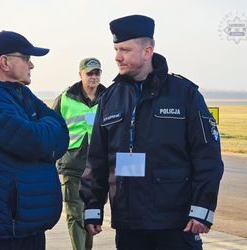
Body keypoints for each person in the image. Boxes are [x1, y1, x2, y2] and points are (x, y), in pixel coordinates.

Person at [79, 15, 224, 250]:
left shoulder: (184, 93)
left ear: (147, 51)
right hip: (129, 224)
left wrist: (202, 208)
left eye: (124, 49)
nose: (117, 57)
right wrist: (93, 207)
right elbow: (96, 159)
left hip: (176, 223)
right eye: (116, 49)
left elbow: (207, 156)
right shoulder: (110, 99)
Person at [0, 30, 69, 250]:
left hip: (27, 226)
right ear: (4, 62)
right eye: (26, 58)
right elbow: (34, 142)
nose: (31, 65)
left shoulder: (19, 93)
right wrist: (45, 133)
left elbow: (62, 129)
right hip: (1, 232)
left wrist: (44, 132)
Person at [53, 57, 106, 250]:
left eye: (97, 73)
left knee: (91, 215)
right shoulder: (66, 97)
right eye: (89, 73)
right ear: (80, 74)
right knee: (75, 214)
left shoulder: (108, 97)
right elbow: (52, 129)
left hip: (98, 168)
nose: (93, 76)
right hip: (72, 165)